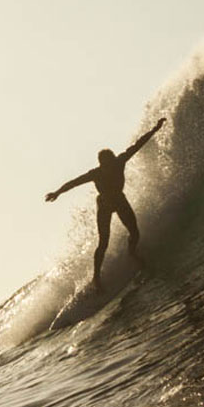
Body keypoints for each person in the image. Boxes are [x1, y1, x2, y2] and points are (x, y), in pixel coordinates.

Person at [45, 117, 167, 290]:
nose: (108, 166)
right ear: (101, 163)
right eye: (105, 163)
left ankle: (132, 253)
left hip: (119, 199)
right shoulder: (96, 173)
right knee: (103, 242)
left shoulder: (120, 161)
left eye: (110, 161)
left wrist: (155, 129)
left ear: (112, 159)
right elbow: (74, 182)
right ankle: (96, 277)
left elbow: (138, 145)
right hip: (104, 204)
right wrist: (57, 192)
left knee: (134, 231)